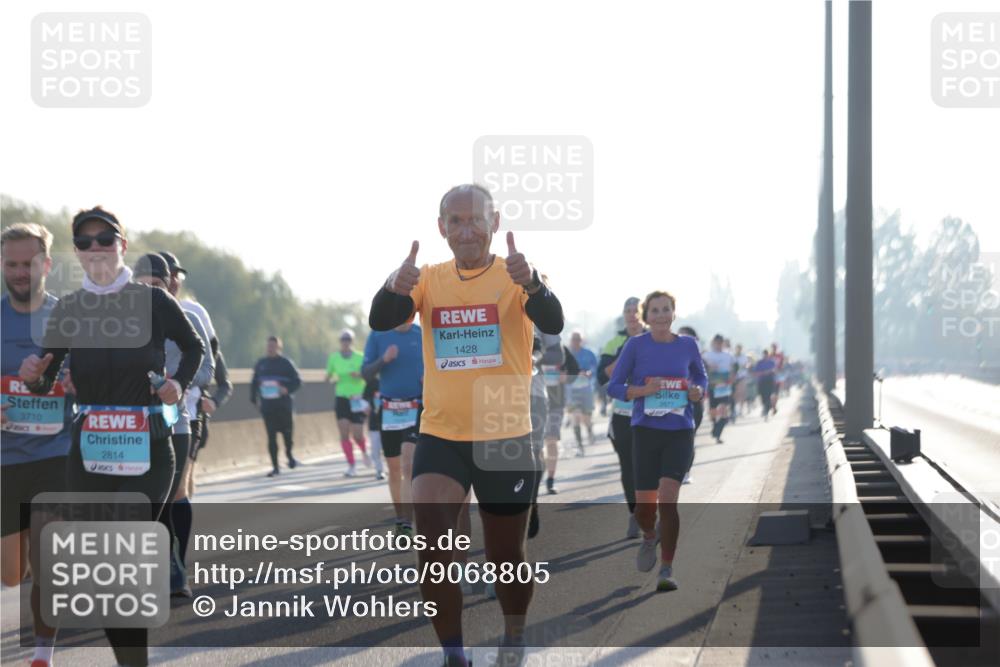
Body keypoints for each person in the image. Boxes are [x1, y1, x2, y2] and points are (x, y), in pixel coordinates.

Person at [368, 183, 563, 667]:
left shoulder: (517, 272)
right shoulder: (428, 279)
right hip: (441, 433)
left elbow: (553, 321)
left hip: (504, 430)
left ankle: (513, 634)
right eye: (455, 221)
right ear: (442, 229)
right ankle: (454, 655)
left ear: (495, 224)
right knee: (433, 549)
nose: (467, 229)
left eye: (476, 219)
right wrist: (393, 284)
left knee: (505, 559)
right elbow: (380, 317)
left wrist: (535, 284)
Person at [19, 206, 204, 667]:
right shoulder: (72, 308)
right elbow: (47, 376)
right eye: (84, 241)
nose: (95, 247)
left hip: (148, 447)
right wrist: (33, 377)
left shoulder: (153, 301)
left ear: (122, 244)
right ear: (77, 252)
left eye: (106, 239)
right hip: (89, 449)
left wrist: (177, 384)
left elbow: (195, 347)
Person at [1, 223, 74, 667]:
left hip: (56, 454)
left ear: (46, 264)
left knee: (48, 560)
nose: (19, 272)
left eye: (28, 263)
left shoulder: (68, 316)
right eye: (11, 264)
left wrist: (74, 381)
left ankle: (42, 655)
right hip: (6, 459)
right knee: (12, 573)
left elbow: (95, 378)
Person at [607, 290, 706, 592]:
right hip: (645, 431)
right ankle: (650, 535)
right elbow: (613, 386)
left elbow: (701, 379)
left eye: (666, 310)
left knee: (669, 500)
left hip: (679, 430)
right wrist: (642, 392)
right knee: (645, 510)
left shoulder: (688, 345)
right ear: (646, 316)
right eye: (655, 311)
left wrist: (697, 392)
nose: (661, 315)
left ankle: (667, 568)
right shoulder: (636, 346)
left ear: (674, 314)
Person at [132, 254, 214, 599]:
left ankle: (178, 568)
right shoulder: (115, 317)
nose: (151, 292)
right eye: (144, 285)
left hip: (176, 417)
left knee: (175, 491)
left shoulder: (190, 315)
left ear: (169, 285)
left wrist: (178, 383)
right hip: (130, 423)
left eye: (158, 286)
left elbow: (207, 366)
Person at [363, 322, 424, 534]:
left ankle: (408, 522)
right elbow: (366, 373)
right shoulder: (378, 335)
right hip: (389, 409)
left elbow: (439, 366)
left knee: (408, 465)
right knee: (394, 468)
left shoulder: (421, 334)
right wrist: (384, 360)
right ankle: (400, 519)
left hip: (417, 405)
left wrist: (430, 379)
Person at [598, 297, 646, 538]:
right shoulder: (615, 342)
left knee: (650, 467)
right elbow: (601, 375)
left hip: (652, 414)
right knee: (628, 467)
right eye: (627, 311)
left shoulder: (656, 337)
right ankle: (634, 514)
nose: (631, 315)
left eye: (635, 310)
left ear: (642, 314)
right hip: (622, 414)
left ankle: (650, 512)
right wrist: (626, 352)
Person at [250, 335, 302, 477]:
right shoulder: (261, 364)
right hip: (268, 406)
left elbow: (298, 381)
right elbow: (254, 383)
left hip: (284, 405)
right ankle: (275, 467)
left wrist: (287, 389)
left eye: (273, 346)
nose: (270, 349)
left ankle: (289, 455)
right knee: (271, 437)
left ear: (279, 348)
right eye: (268, 346)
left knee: (287, 435)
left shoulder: (286, 363)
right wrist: (254, 400)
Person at [327, 329, 371, 476]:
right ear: (340, 342)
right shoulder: (334, 358)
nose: (345, 342)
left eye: (348, 339)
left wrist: (359, 375)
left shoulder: (360, 357)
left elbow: (368, 374)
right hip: (341, 397)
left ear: (352, 341)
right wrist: (329, 378)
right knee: (344, 432)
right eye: (343, 340)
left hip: (358, 398)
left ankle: (364, 451)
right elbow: (328, 375)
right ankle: (351, 465)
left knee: (358, 434)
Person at [540, 334, 579, 494]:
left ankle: (550, 480)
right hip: (533, 401)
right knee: (536, 444)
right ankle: (539, 472)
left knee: (551, 439)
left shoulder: (561, 350)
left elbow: (574, 370)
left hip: (556, 401)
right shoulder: (530, 347)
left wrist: (566, 377)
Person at [567, 331, 598, 455]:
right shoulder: (566, 354)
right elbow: (561, 369)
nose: (576, 341)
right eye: (574, 339)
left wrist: (589, 373)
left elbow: (595, 368)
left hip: (586, 389)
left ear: (582, 340)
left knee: (586, 418)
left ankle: (590, 430)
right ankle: (579, 445)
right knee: (575, 417)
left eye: (578, 339)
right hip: (571, 391)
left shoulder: (588, 353)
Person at [703, 334, 735, 444]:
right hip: (712, 384)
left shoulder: (728, 355)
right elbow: (701, 367)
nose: (718, 345)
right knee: (713, 409)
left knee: (724, 408)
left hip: (724, 385)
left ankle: (718, 433)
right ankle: (714, 424)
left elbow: (732, 369)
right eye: (716, 343)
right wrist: (709, 367)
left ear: (723, 343)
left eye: (720, 343)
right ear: (713, 343)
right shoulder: (707, 355)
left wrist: (731, 377)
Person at [754, 349, 778, 419]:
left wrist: (769, 371)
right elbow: (756, 372)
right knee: (763, 396)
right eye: (764, 354)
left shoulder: (771, 362)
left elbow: (775, 370)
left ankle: (767, 410)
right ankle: (765, 408)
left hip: (770, 380)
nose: (765, 356)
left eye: (766, 354)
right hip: (762, 381)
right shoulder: (759, 363)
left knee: (770, 395)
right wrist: (763, 373)